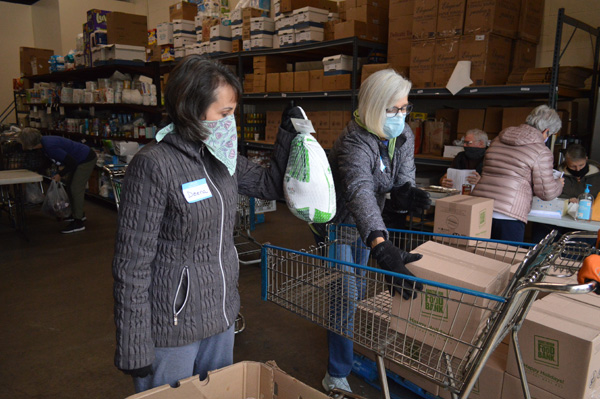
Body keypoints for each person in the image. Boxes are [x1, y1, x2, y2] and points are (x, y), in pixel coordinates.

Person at [112, 56, 299, 393]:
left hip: (220, 316)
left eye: (233, 114)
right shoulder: (154, 165)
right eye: (224, 114)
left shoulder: (221, 156)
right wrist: (133, 343)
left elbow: (268, 185)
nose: (231, 123)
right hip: (172, 327)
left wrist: (286, 136)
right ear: (190, 109)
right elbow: (131, 264)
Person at [312, 69, 430, 393]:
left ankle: (346, 349)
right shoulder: (354, 141)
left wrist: (405, 195)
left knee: (358, 290)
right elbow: (360, 191)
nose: (401, 115)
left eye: (405, 107)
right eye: (393, 109)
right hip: (338, 225)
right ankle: (336, 373)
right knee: (344, 294)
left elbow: (404, 174)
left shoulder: (401, 134)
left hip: (369, 225)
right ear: (375, 107)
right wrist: (381, 245)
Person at [472, 105, 564, 242]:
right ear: (546, 131)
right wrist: (559, 183)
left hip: (480, 208)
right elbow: (546, 192)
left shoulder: (499, 139)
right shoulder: (541, 151)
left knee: (474, 256)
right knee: (505, 260)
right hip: (509, 214)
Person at [18, 128, 97, 233]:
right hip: (78, 158)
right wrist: (38, 171)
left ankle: (78, 222)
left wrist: (60, 174)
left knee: (75, 188)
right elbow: (49, 160)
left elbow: (72, 163)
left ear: (29, 144)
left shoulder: (50, 146)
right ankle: (78, 215)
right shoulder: (43, 143)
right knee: (70, 186)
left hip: (85, 159)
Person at [531, 143, 600, 243]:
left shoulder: (597, 176)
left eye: (581, 165)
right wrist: (567, 199)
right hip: (558, 217)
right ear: (566, 162)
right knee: (542, 234)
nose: (578, 169)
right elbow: (549, 192)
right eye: (573, 166)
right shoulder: (556, 175)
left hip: (585, 221)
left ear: (586, 159)